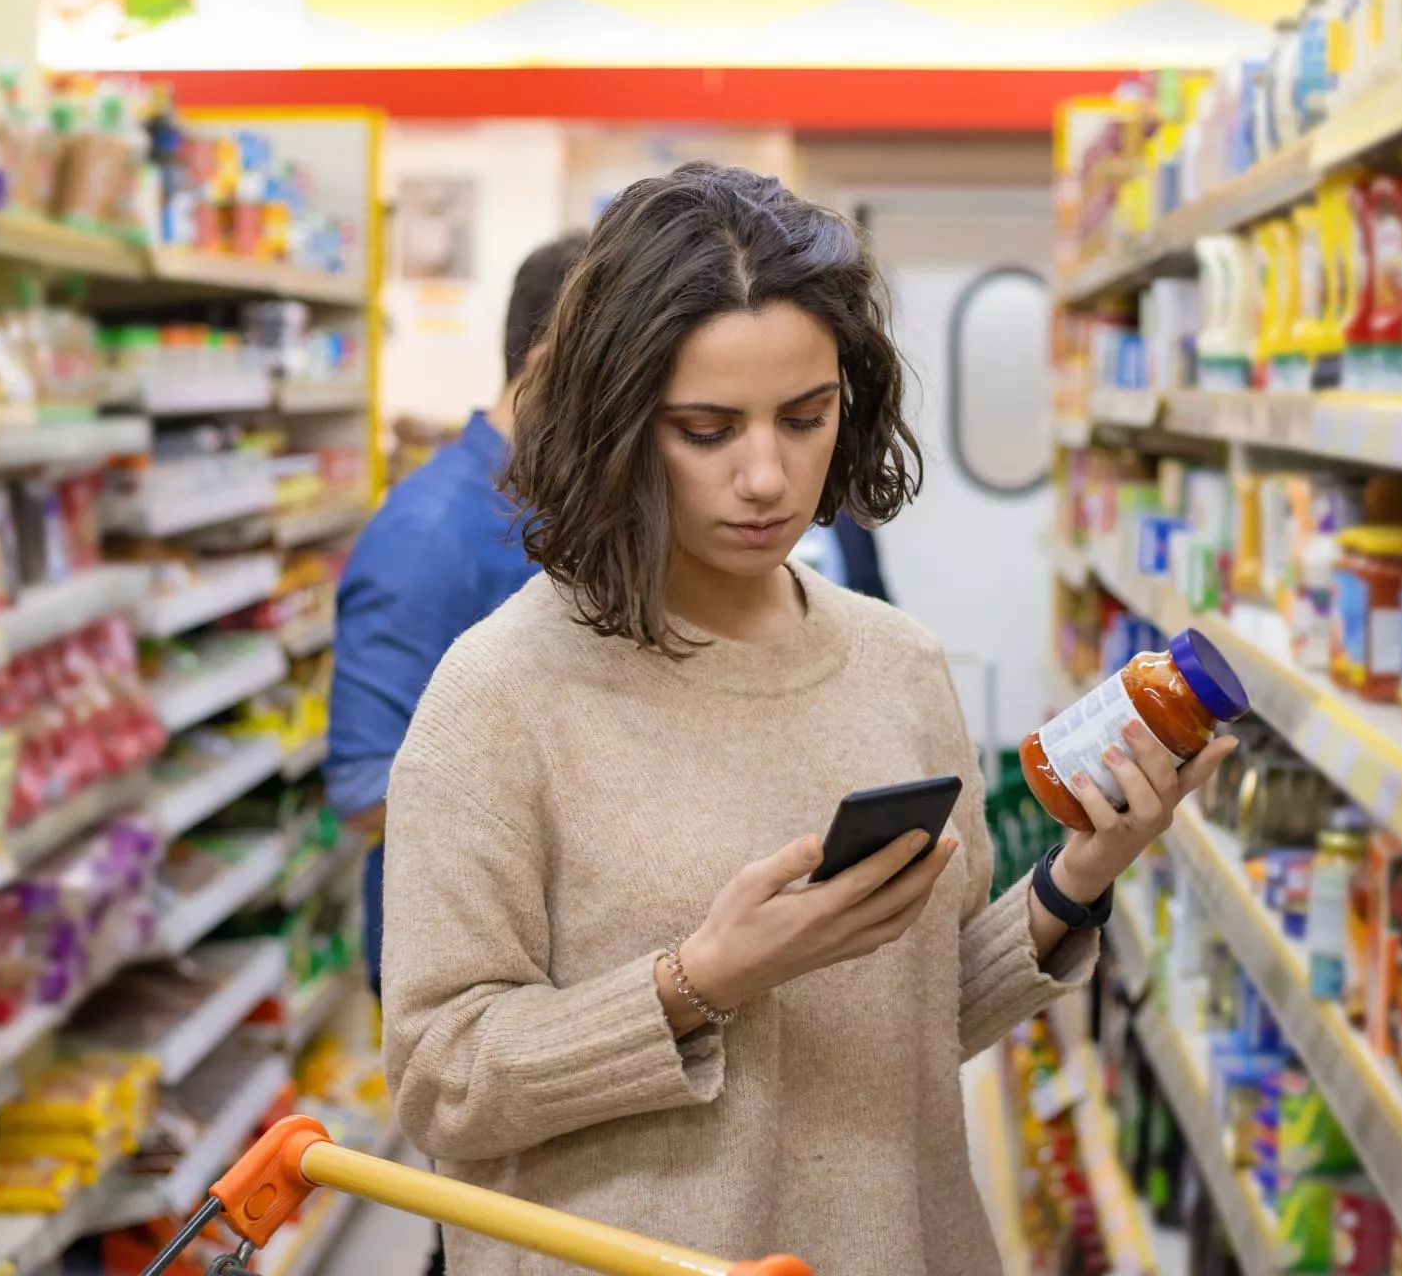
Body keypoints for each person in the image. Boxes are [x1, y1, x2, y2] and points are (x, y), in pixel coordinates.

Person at [380, 163, 1233, 1276]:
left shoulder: (895, 663)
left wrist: (1075, 882)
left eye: (806, 416)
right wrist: (699, 981)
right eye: (706, 427)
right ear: (617, 421)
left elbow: (909, 1025)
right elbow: (442, 1078)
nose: (767, 476)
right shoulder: (499, 695)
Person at [324, 233, 583, 1276]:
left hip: (558, 966)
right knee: (484, 1232)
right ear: (550, 357)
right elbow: (359, 785)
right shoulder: (427, 531)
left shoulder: (562, 502)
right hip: (461, 967)